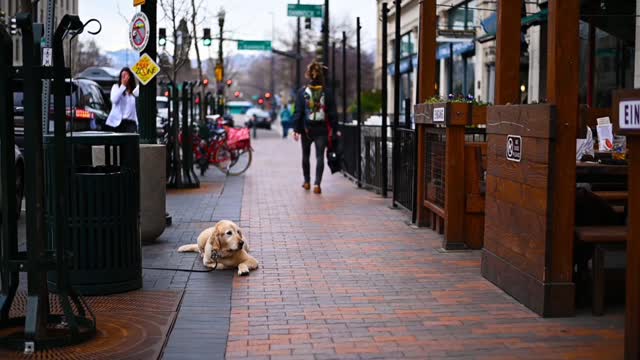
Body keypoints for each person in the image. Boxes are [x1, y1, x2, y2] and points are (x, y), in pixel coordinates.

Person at [293, 61, 339, 195]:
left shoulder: (302, 92)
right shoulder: (327, 92)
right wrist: (335, 130)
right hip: (322, 129)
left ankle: (306, 181)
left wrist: (296, 129)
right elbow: (332, 113)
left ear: (308, 75)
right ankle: (317, 184)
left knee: (305, 155)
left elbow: (298, 112)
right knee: (320, 157)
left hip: (306, 129)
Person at [105, 67, 139, 133]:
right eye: (122, 76)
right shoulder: (116, 87)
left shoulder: (134, 91)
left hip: (131, 123)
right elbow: (114, 100)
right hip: (118, 123)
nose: (124, 78)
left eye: (126, 75)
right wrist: (123, 86)